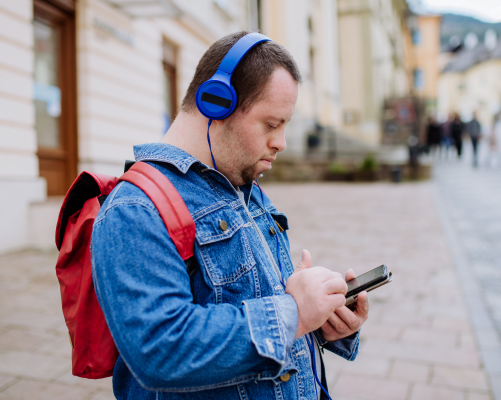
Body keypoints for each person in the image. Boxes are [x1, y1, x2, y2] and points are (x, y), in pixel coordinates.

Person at [91, 31, 369, 400]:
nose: (281, 143)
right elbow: (159, 350)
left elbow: (261, 306)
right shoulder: (135, 209)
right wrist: (293, 314)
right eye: (272, 125)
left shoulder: (245, 188)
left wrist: (320, 318)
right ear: (215, 103)